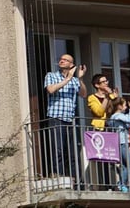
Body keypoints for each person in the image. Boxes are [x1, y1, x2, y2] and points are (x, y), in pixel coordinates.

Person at [43, 54, 87, 183]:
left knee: (73, 152)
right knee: (58, 150)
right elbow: (51, 89)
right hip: (56, 117)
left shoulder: (75, 80)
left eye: (65, 60)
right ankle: (59, 177)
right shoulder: (51, 75)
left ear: (71, 65)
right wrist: (67, 79)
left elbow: (83, 94)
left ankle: (76, 180)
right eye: (61, 59)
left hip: (70, 120)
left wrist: (80, 78)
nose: (61, 61)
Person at [86, 73, 117, 189]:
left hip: (111, 127)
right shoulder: (92, 98)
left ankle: (115, 183)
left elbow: (118, 109)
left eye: (106, 81)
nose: (106, 83)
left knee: (112, 156)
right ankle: (104, 184)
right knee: (101, 157)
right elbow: (99, 112)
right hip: (99, 129)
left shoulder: (111, 96)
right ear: (97, 85)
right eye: (103, 82)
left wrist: (115, 97)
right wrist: (107, 98)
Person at [106, 96, 130, 192]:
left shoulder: (121, 116)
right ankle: (121, 184)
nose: (126, 107)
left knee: (125, 166)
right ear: (119, 106)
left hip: (124, 142)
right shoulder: (116, 116)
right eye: (124, 105)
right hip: (122, 142)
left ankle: (122, 185)